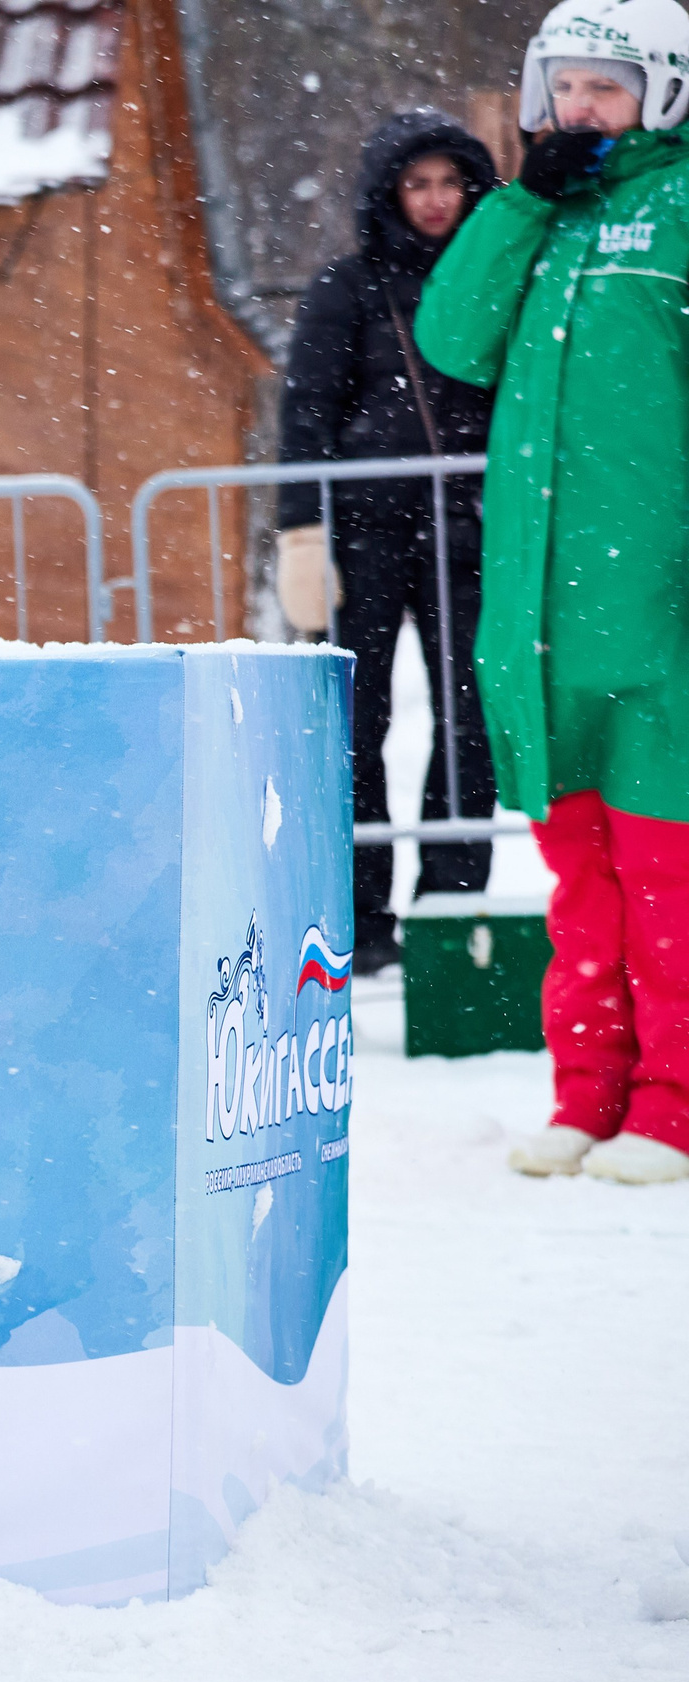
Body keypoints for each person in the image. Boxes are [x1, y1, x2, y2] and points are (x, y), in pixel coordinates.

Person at [417, 0, 689, 1186]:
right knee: (579, 882)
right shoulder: (536, 217)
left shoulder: (676, 206)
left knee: (665, 876)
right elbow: (450, 339)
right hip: (539, 615)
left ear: (663, 94)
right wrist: (522, 198)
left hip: (659, 610)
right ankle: (586, 1094)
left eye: (607, 88)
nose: (582, 108)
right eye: (565, 85)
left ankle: (672, 1106)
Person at [277, 110, 504, 978]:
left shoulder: (495, 279)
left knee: (472, 721)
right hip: (364, 534)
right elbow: (305, 415)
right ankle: (359, 917)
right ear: (389, 193)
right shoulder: (347, 286)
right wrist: (302, 530)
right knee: (352, 724)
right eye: (419, 183)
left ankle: (452, 902)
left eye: (451, 181)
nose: (437, 200)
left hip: (468, 529)